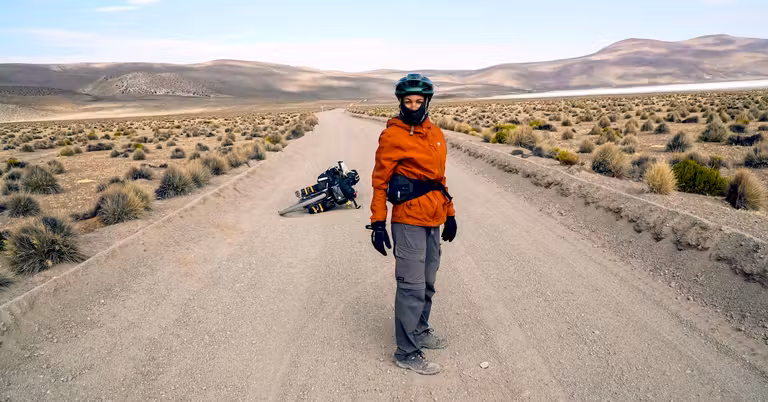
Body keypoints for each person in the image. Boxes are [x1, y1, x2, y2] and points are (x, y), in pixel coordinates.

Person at [367, 73, 457, 375]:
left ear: (427, 101)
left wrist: (451, 213)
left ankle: (419, 331)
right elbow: (380, 183)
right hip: (408, 221)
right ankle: (406, 351)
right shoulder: (392, 136)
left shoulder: (436, 133)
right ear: (401, 102)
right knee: (411, 286)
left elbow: (440, 179)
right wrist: (378, 222)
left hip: (434, 217)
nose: (414, 106)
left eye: (420, 101)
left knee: (428, 281)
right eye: (408, 101)